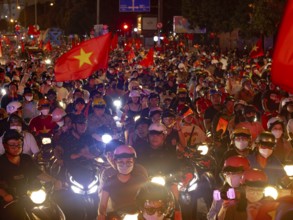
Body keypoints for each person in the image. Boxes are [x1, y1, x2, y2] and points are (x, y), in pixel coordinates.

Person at [0, 129, 62, 219]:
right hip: (11, 199)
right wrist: (5, 194)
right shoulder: (1, 162)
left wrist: (54, 180)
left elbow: (37, 173)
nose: (16, 147)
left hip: (30, 195)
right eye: (12, 145)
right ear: (5, 146)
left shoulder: (26, 159)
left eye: (19, 144)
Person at [97, 145, 148, 219]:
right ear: (115, 162)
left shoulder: (141, 179)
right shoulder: (109, 181)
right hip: (118, 216)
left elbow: (149, 197)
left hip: (139, 215)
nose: (125, 165)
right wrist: (102, 214)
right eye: (121, 162)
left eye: (128, 162)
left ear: (133, 162)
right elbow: (103, 205)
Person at [207, 155, 250, 220]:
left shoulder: (253, 192)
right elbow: (210, 217)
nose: (231, 176)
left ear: (245, 173)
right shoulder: (220, 193)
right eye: (228, 173)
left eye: (235, 173)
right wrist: (223, 209)